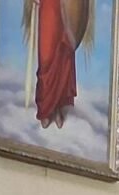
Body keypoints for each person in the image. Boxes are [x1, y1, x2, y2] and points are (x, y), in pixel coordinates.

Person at [23, 0, 93, 129]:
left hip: (67, 5)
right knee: (46, 56)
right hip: (48, 5)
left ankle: (57, 107)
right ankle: (45, 109)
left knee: (63, 54)